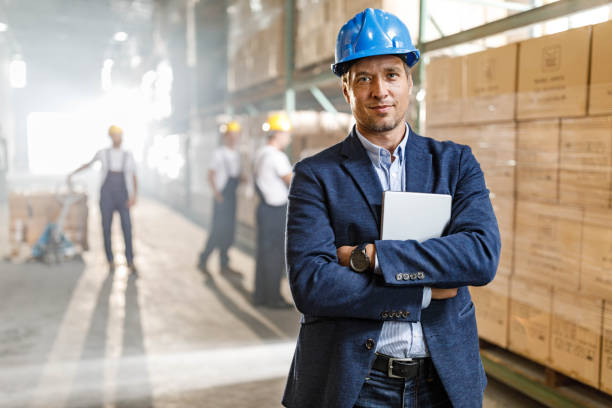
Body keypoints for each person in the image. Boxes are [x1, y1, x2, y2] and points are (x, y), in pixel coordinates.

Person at [282, 8, 501, 408]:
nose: (379, 90)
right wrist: (423, 292)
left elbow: (480, 256)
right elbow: (312, 284)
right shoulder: (315, 175)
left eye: (391, 75)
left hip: (444, 383)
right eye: (363, 78)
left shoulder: (454, 164)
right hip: (354, 384)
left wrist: (371, 256)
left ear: (409, 82)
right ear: (346, 91)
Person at [69, 125, 138, 274]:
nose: (116, 138)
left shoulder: (128, 155)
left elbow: (133, 175)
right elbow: (88, 164)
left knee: (127, 227)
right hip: (106, 195)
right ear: (110, 137)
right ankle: (110, 260)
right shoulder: (103, 153)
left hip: (123, 195)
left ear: (122, 137)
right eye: (113, 135)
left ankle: (130, 260)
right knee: (106, 228)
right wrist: (73, 173)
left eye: (118, 135)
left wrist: (134, 196)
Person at [253, 112, 293, 308]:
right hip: (275, 211)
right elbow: (293, 183)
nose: (288, 138)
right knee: (274, 255)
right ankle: (273, 298)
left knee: (263, 254)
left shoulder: (261, 153)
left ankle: (260, 296)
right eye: (286, 134)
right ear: (277, 134)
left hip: (263, 209)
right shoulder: (277, 157)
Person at [198, 121, 242, 275]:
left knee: (229, 231)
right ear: (226, 136)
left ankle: (224, 263)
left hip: (232, 198)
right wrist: (217, 194)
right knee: (218, 230)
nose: (234, 138)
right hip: (222, 198)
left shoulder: (236, 154)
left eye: (236, 134)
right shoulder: (219, 153)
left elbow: (235, 176)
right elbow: (210, 175)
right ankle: (203, 258)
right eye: (232, 135)